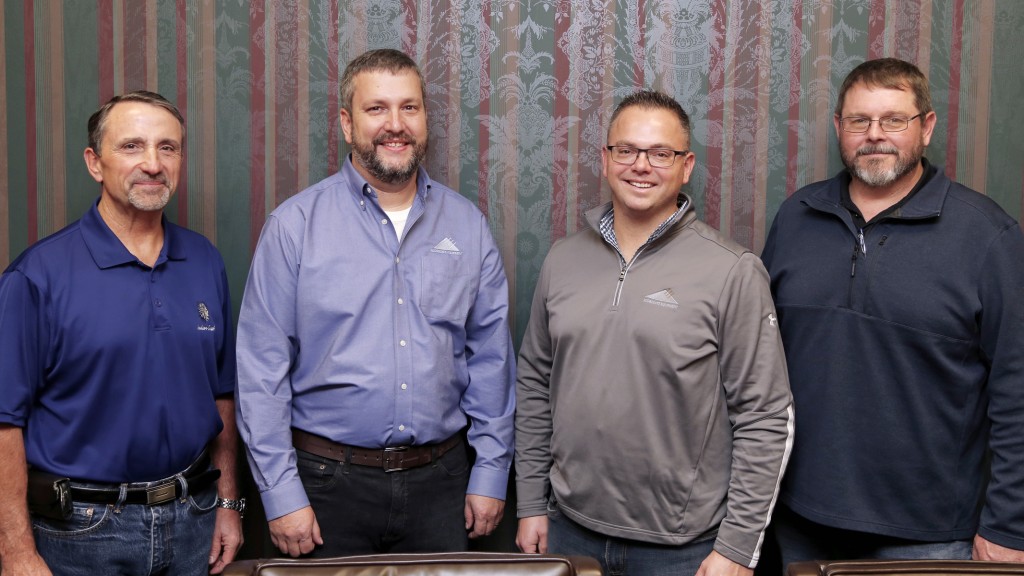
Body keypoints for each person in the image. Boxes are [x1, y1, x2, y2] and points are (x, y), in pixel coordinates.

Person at [235, 48, 515, 558]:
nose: (395, 124)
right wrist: (279, 493)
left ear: (425, 118)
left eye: (409, 107)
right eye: (376, 109)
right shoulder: (294, 227)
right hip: (324, 487)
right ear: (347, 123)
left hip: (443, 485)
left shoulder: (467, 226)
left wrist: (492, 471)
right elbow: (261, 370)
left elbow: (491, 359)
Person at [515, 89, 794, 576]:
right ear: (606, 160)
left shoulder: (732, 271)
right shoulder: (563, 259)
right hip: (569, 530)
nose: (641, 165)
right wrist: (530, 503)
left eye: (660, 153)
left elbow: (766, 415)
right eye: (626, 150)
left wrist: (737, 548)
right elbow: (535, 384)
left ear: (685, 167)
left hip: (684, 548)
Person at [762, 57, 1024, 565]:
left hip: (930, 533)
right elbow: (757, 362)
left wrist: (1010, 526)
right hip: (797, 520)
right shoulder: (797, 217)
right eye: (859, 120)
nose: (874, 135)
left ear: (926, 127)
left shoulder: (988, 237)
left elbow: (1018, 392)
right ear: (839, 127)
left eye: (893, 120)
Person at [0, 91, 243, 575]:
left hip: (193, 520)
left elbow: (223, 396)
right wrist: (16, 552)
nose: (152, 163)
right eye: (132, 146)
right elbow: (5, 422)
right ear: (95, 162)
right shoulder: (36, 277)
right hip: (83, 533)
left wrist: (228, 505)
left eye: (167, 148)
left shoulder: (203, 259)